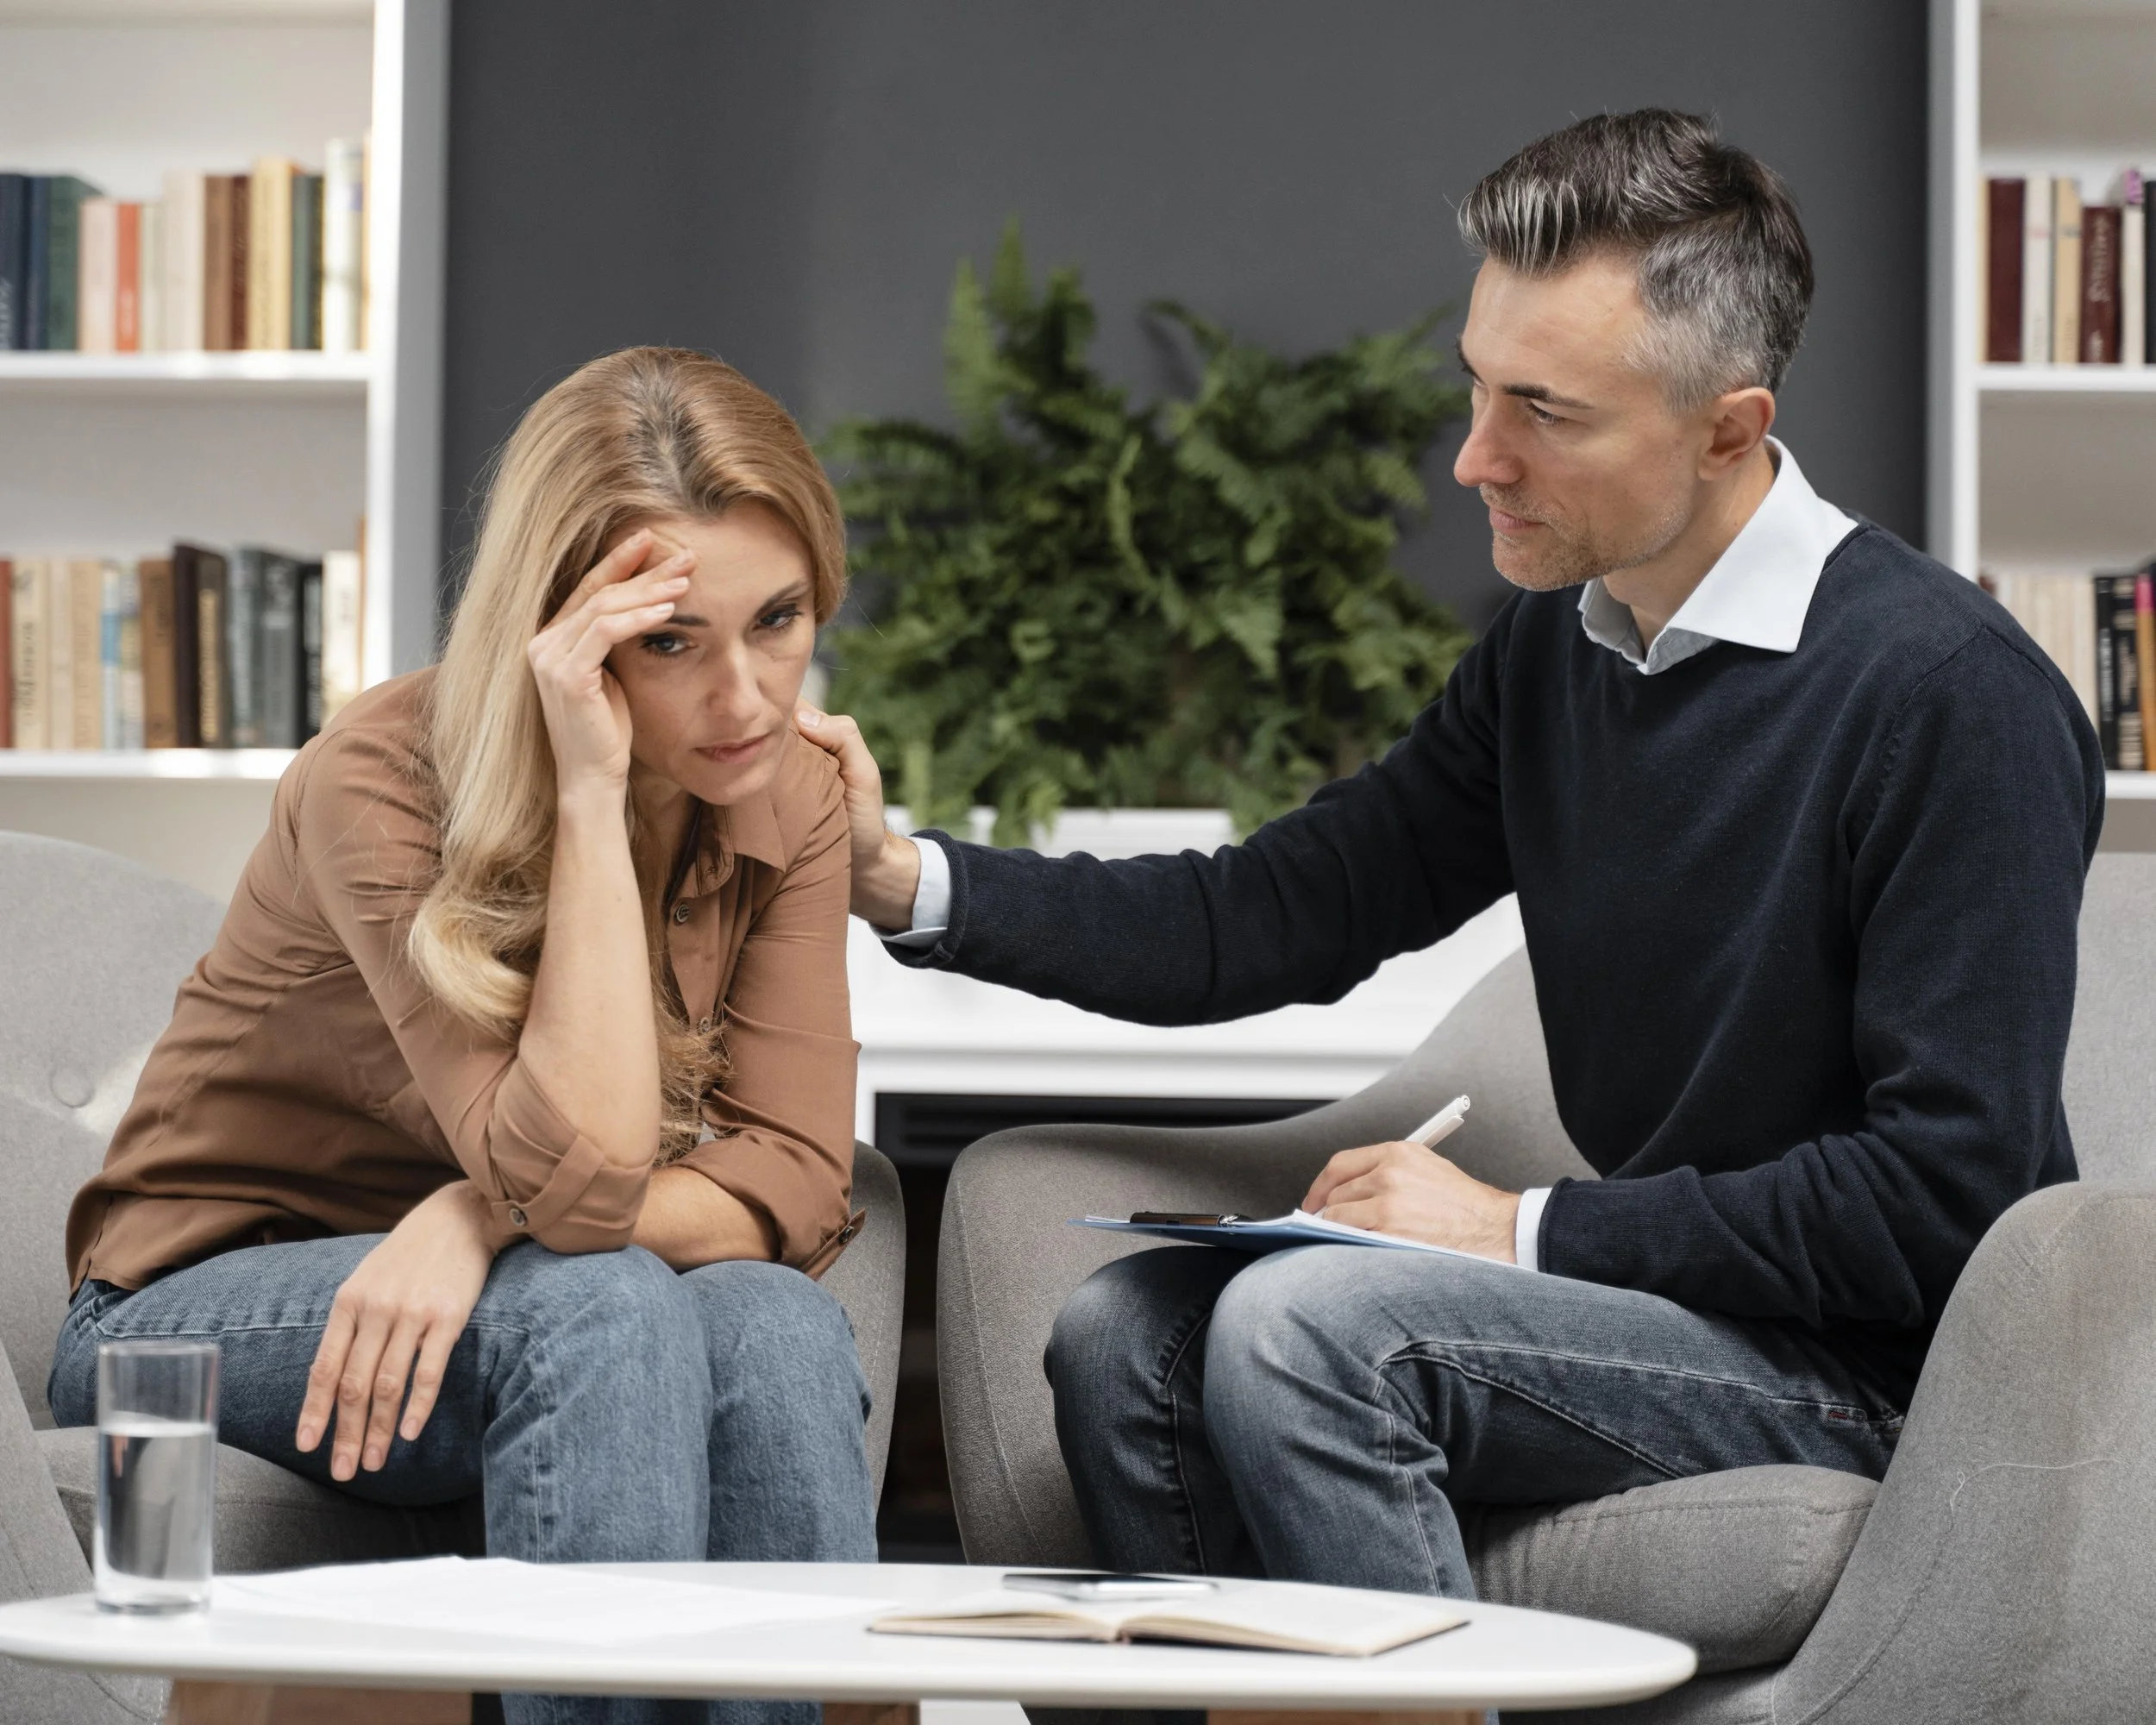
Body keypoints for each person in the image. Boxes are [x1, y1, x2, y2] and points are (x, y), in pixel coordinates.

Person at [797, 111, 2105, 1600]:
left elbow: (1945, 1201)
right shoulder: (1563, 645)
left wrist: (1513, 1228)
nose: (1477, 458)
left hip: (1886, 1378)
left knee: (1307, 1334)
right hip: (1673, 1312)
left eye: (1544, 411)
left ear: (1728, 428)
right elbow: (1279, 913)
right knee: (1124, 1337)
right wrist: (903, 880)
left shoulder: (1952, 697)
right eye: (1478, 388)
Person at [53, 347, 876, 1725]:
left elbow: (794, 1180)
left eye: (779, 620)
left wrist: (476, 1220)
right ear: (564, 636)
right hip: (197, 1308)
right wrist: (591, 787)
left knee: (778, 1325)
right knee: (601, 1306)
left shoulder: (788, 791)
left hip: (509, 1271)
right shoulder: (380, 777)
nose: (746, 699)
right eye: (670, 640)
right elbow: (591, 1179)